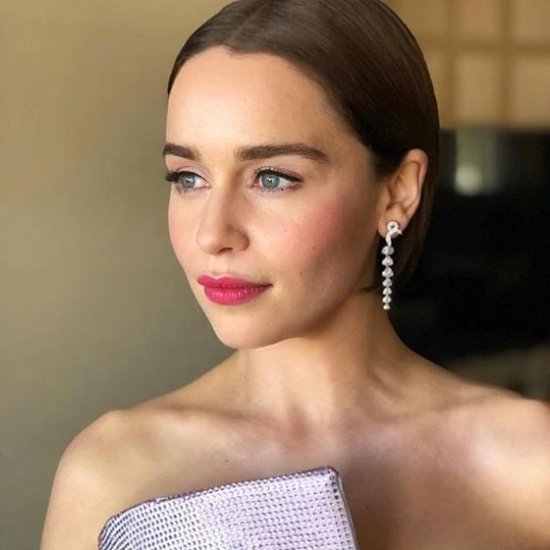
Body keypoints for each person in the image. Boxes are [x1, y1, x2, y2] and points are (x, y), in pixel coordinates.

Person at [42, 0, 550, 548]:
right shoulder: (111, 472)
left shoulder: (529, 462)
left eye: (272, 178)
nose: (213, 234)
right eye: (188, 178)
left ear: (398, 191)